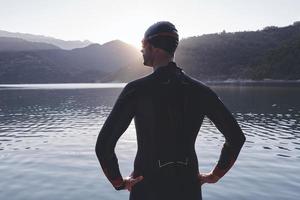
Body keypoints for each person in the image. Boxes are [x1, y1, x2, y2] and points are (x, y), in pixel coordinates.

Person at [95, 21, 246, 200]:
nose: (141, 50)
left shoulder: (137, 90)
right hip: (188, 188)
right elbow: (236, 137)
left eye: (143, 45)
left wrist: (119, 183)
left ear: (153, 47)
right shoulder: (200, 90)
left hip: (147, 187)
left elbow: (104, 146)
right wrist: (215, 175)